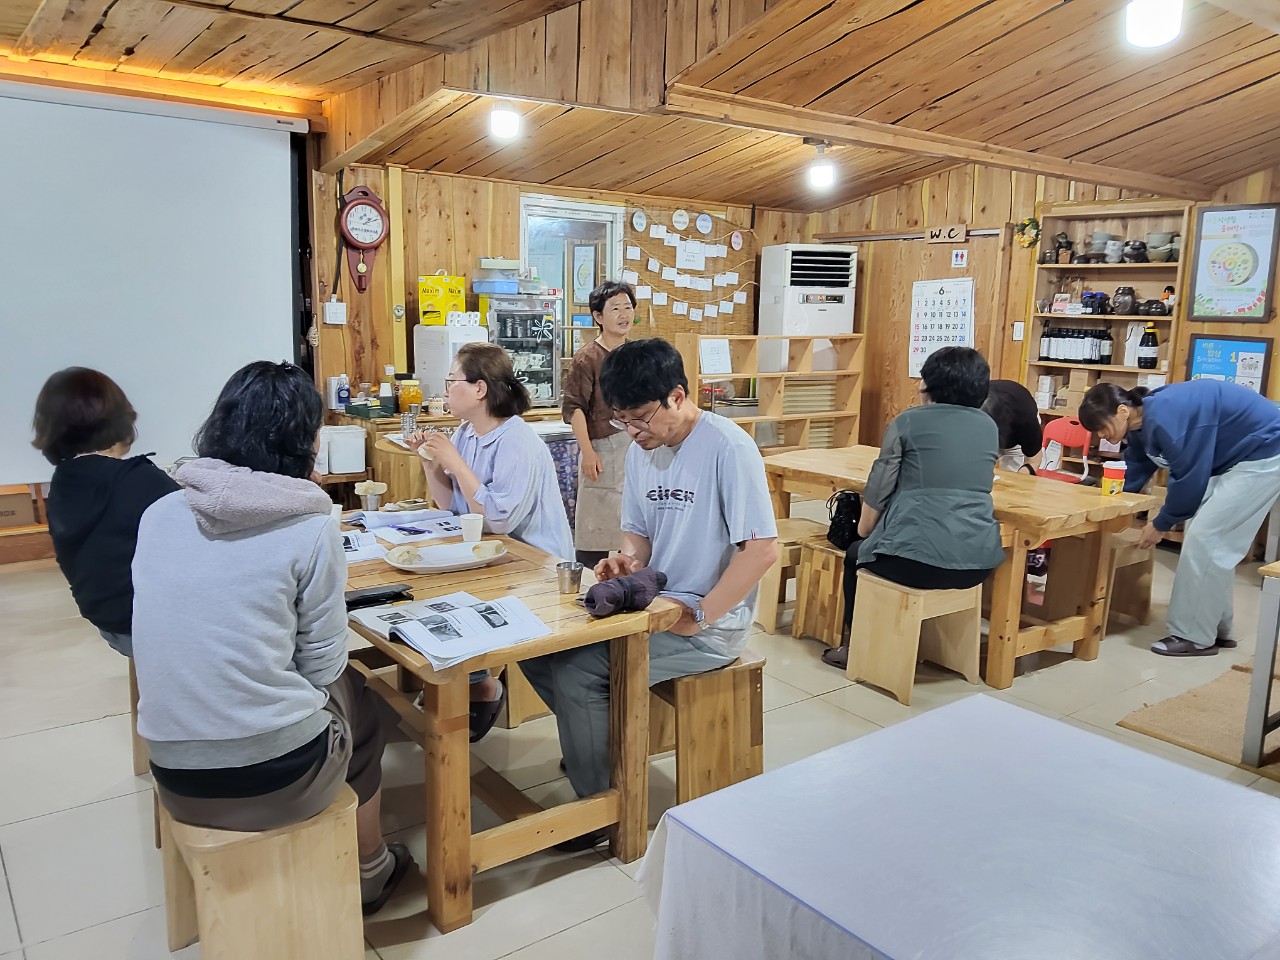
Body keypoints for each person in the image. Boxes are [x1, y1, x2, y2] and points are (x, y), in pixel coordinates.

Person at [130, 361, 412, 915]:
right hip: (277, 780)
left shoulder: (159, 513)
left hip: (171, 770)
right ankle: (371, 869)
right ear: (305, 443)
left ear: (219, 426)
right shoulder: (310, 526)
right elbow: (323, 665)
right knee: (366, 706)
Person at [521, 338, 779, 849]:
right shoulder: (644, 450)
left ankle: (601, 812)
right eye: (621, 420)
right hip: (653, 602)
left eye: (639, 418)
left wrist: (701, 614)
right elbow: (638, 534)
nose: (632, 432)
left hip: (708, 624)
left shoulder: (728, 447)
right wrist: (626, 560)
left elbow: (762, 551)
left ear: (678, 396)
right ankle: (599, 749)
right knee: (537, 649)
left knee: (578, 671)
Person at [407, 342, 573, 738]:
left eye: (451, 381)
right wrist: (432, 463)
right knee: (427, 584)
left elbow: (499, 519)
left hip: (535, 563)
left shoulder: (518, 440)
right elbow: (453, 505)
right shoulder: (466, 432)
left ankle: (479, 683)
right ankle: (468, 681)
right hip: (495, 554)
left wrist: (455, 462)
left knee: (455, 594)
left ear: (479, 389)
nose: (445, 390)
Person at [824, 347, 1004, 670]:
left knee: (855, 553)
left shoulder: (908, 422)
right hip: (979, 563)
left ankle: (855, 648)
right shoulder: (988, 427)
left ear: (930, 385)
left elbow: (879, 488)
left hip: (916, 561)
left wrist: (863, 532)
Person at [1078, 379, 1280, 657]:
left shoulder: (1166, 418)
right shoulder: (1140, 424)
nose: (1102, 436)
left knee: (1206, 537)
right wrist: (1113, 506)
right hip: (1236, 455)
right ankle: (1218, 629)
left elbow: (1189, 479)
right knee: (1209, 540)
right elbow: (1137, 467)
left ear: (1123, 411)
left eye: (1102, 427)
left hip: (1265, 450)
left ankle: (1194, 637)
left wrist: (1161, 524)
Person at [31, 367, 179, 657]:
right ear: (121, 418)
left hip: (110, 624)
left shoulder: (63, 482)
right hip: (155, 627)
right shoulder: (138, 479)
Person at [562, 280, 636, 569]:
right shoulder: (587, 358)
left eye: (628, 307)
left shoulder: (636, 354)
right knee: (598, 522)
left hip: (635, 444)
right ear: (598, 317)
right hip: (601, 447)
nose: (623, 314)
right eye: (615, 308)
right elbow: (575, 409)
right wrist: (588, 452)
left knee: (632, 520)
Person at [983, 378, 1043, 472]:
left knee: (1011, 475)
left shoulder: (1026, 421)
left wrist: (1020, 476)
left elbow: (1033, 461)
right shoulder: (971, 408)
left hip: (1017, 430)